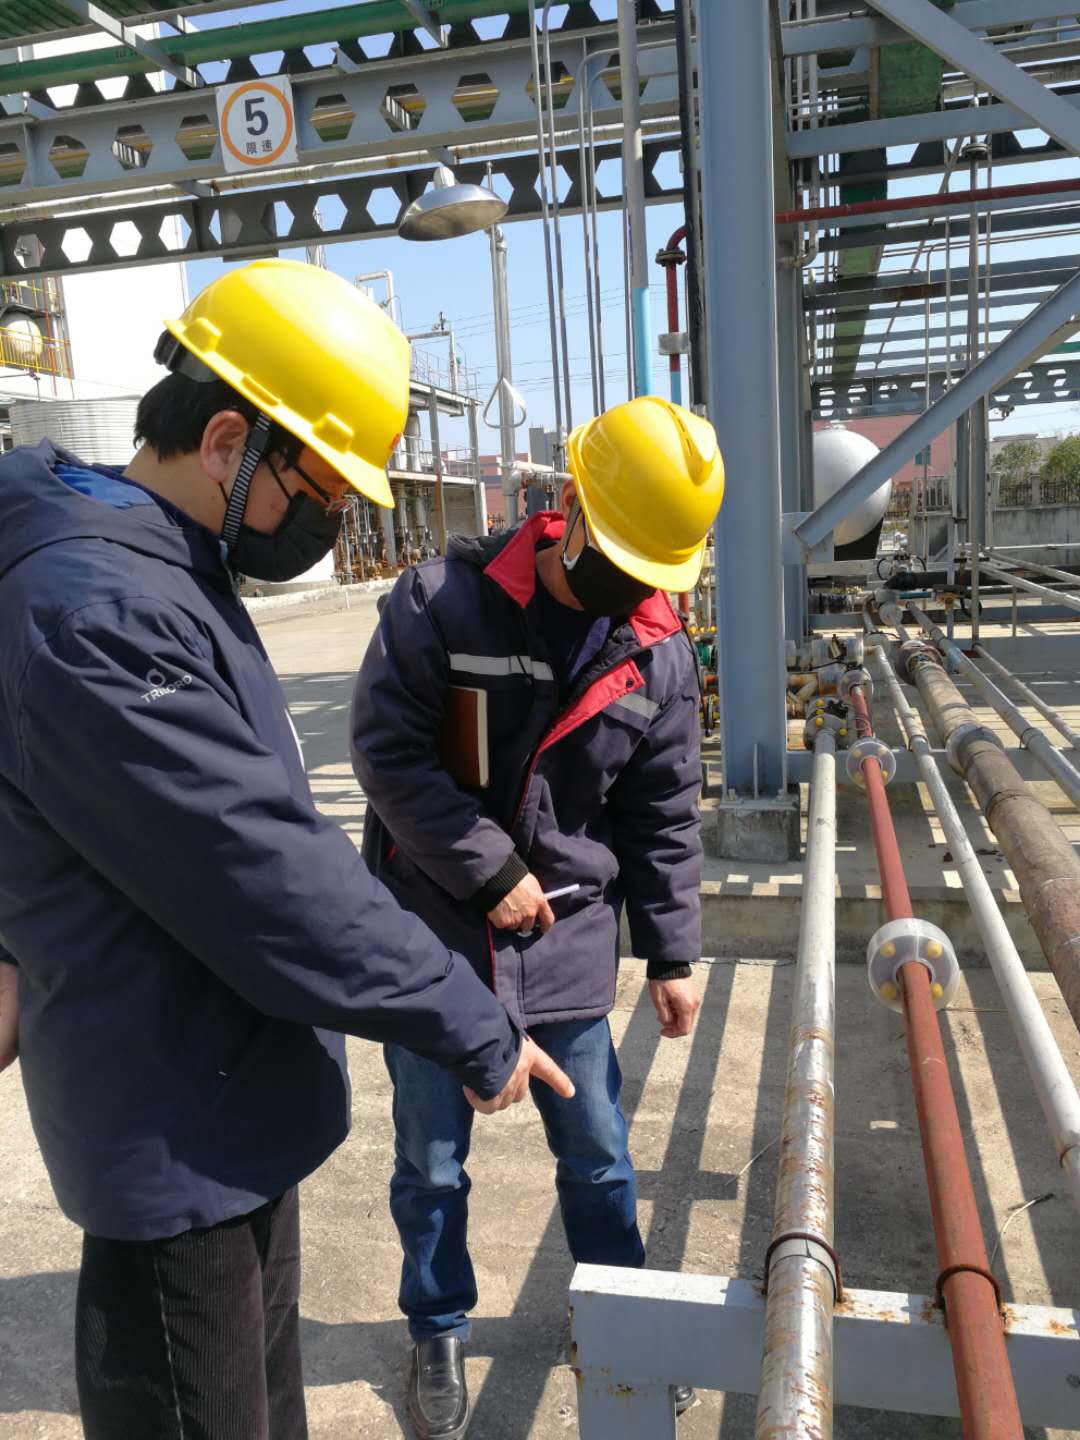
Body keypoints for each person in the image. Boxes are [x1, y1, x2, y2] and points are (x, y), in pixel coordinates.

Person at [0, 258, 571, 1440]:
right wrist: (463, 1016)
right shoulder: (99, 609)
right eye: (318, 491)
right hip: (171, 1136)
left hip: (223, 1104)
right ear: (227, 442)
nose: (330, 526)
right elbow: (259, 869)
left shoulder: (159, 566)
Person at [351, 395, 725, 1439]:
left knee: (598, 1153)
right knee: (432, 1161)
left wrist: (673, 953)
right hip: (434, 942)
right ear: (571, 505)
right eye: (623, 557)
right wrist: (485, 871)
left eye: (654, 571)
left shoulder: (656, 650)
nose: (635, 587)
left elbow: (661, 815)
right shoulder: (443, 605)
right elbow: (386, 756)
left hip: (565, 944)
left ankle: (626, 1324)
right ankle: (437, 1328)